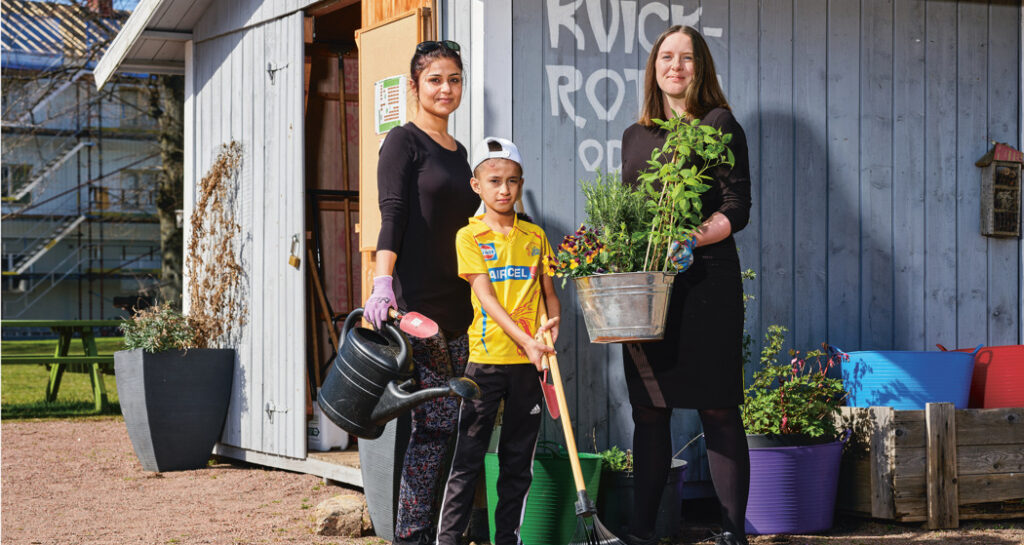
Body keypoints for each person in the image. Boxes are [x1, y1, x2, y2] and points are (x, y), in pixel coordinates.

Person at [619, 26, 752, 545]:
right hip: (649, 286)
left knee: (718, 406)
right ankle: (643, 532)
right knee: (650, 410)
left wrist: (692, 240)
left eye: (687, 58)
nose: (676, 66)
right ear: (655, 67)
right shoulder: (636, 135)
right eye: (666, 57)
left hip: (705, 286)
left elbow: (736, 208)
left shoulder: (720, 125)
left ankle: (733, 532)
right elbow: (629, 213)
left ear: (702, 68)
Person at [364, 40, 481, 545]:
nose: (445, 88)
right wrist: (381, 281)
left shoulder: (460, 155)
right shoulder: (402, 142)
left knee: (452, 423)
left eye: (453, 79)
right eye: (435, 79)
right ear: (415, 86)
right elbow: (393, 214)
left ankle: (438, 533)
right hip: (418, 308)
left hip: (459, 303)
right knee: (433, 424)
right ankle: (411, 536)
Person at [435, 137, 561, 545]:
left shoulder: (537, 237)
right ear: (478, 186)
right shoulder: (469, 237)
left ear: (521, 184)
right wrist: (525, 340)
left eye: (512, 181)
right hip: (486, 362)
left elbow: (549, 293)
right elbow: (486, 298)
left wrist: (552, 324)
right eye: (494, 181)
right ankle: (448, 539)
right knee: (467, 459)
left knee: (516, 463)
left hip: (530, 366)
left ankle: (507, 539)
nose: (503, 189)